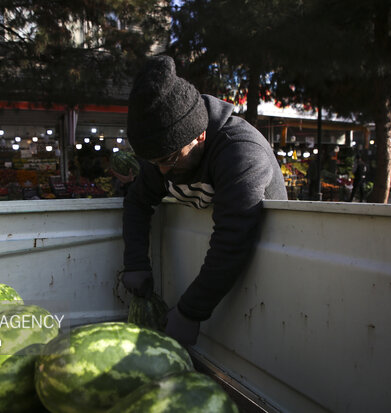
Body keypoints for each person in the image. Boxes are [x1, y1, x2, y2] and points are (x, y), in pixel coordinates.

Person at [120, 56, 287, 346]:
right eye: (153, 161)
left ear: (199, 136)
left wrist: (190, 311)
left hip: (271, 281)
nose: (161, 171)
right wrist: (135, 261)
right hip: (221, 284)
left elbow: (233, 237)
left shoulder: (240, 152)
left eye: (169, 159)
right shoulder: (166, 151)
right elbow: (137, 203)